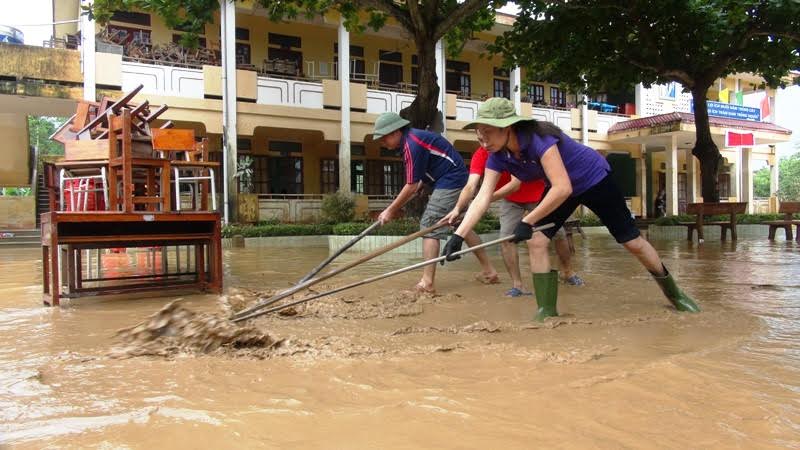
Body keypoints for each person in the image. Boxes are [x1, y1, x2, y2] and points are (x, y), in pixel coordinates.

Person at [441, 98, 699, 320]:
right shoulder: (497, 154)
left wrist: (528, 220)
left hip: (593, 180)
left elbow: (562, 187)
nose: (482, 140)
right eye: (479, 134)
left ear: (507, 127)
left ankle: (675, 295)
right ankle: (546, 311)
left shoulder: (539, 139)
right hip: (560, 188)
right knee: (537, 241)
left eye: (487, 132)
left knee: (631, 241)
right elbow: (482, 197)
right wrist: (459, 236)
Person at [372, 112, 499, 293]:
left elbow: (410, 185)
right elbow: (428, 167)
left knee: (429, 224)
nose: (383, 143)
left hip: (451, 180)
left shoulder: (411, 144)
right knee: (462, 225)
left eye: (383, 139)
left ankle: (427, 283)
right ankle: (489, 271)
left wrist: (390, 210)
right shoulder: (412, 139)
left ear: (395, 132)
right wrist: (425, 183)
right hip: (449, 177)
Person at [441, 146, 584, 298]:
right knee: (506, 238)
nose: (485, 141)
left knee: (559, 234)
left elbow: (514, 185)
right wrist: (457, 208)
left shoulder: (513, 150)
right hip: (511, 201)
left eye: (488, 134)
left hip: (539, 196)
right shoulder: (480, 155)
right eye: (480, 137)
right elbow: (470, 186)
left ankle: (567, 272)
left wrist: (482, 201)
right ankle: (518, 286)